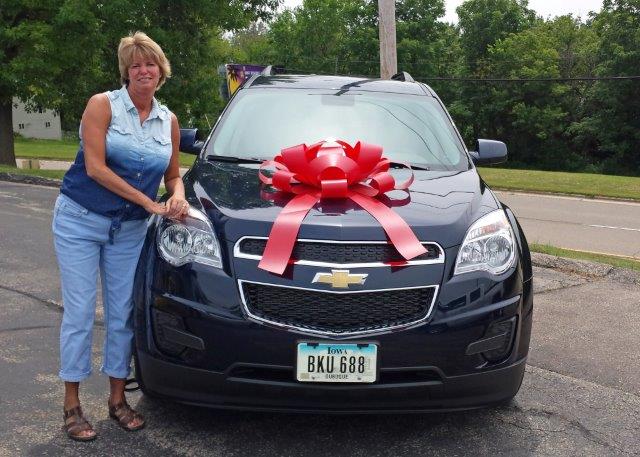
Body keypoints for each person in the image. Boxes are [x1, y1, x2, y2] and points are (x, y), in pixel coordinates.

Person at [52, 31, 188, 441]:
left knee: (122, 314)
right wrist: (149, 203)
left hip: (128, 231)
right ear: (126, 73)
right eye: (134, 65)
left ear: (161, 71)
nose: (143, 71)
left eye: (149, 64)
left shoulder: (170, 121)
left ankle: (116, 400)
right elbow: (95, 168)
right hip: (80, 220)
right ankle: (72, 405)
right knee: (78, 313)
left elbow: (173, 174)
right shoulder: (102, 106)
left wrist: (176, 197)